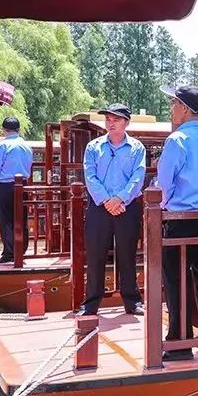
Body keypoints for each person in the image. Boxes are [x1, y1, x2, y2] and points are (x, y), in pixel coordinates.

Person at [156, 85, 198, 361]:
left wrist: (161, 206)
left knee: (175, 280)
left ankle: (178, 341)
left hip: (180, 219)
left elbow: (165, 184)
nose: (172, 108)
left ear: (184, 108)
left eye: (174, 103)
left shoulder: (177, 141)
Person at [77, 104, 146, 316]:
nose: (110, 123)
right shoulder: (93, 147)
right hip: (99, 206)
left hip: (126, 206)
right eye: (108, 119)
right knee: (95, 255)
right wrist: (107, 200)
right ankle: (91, 303)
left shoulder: (137, 148)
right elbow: (90, 176)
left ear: (126, 122)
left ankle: (132, 301)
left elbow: (138, 177)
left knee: (127, 254)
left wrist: (120, 198)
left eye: (115, 119)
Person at [0, 117, 33, 264]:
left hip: (5, 185)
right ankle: (22, 249)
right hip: (23, 184)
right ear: (18, 129)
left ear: (4, 130)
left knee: (6, 219)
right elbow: (29, 166)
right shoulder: (26, 146)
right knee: (21, 217)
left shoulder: (2, 146)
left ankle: (9, 253)